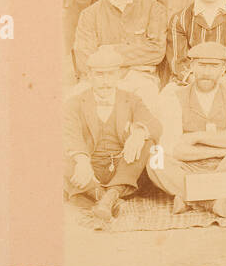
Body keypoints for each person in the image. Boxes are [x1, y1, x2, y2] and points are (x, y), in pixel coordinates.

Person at [150, 41, 226, 216]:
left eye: (214, 66)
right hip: (187, 167)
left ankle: (189, 196)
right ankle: (212, 201)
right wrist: (219, 150)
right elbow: (175, 150)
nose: (206, 72)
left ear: (224, 68)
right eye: (201, 65)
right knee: (154, 157)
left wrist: (195, 138)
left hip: (225, 167)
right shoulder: (174, 95)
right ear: (191, 66)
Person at [63, 46, 159, 225]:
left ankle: (109, 196)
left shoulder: (131, 100)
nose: (106, 81)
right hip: (89, 169)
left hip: (123, 169)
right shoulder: (75, 103)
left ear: (118, 75)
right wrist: (82, 161)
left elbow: (154, 124)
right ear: (89, 76)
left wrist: (138, 133)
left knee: (149, 142)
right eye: (100, 75)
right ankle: (104, 198)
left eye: (110, 74)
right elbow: (70, 135)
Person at [71, 0, 166, 107]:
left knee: (148, 99)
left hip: (140, 78)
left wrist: (108, 50)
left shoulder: (153, 9)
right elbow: (84, 58)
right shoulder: (90, 14)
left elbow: (156, 51)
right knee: (75, 98)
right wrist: (127, 61)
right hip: (100, 79)